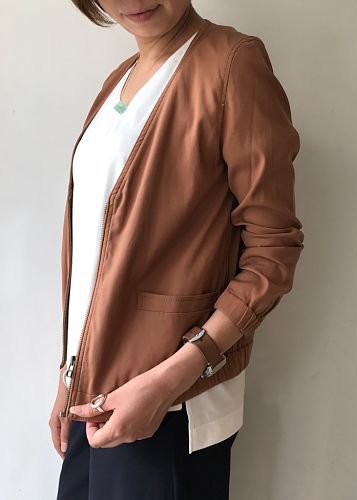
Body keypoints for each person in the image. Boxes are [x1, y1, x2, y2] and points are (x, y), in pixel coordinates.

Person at [48, 1, 304, 499]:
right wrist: (67, 374)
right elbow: (96, 248)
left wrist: (170, 379)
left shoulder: (233, 63)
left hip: (169, 405)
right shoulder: (119, 80)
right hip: (93, 394)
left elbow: (273, 252)